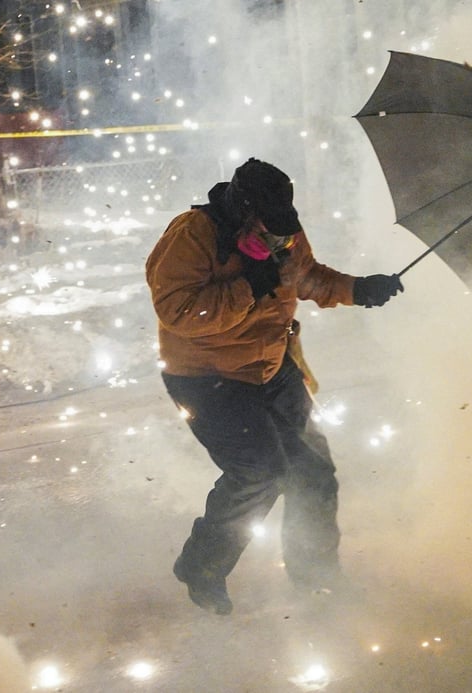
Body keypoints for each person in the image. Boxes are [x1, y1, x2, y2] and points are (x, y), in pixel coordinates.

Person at [145, 157, 403, 615]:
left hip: (271, 365)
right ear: (243, 212)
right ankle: (201, 566)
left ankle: (315, 574)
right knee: (259, 473)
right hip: (207, 376)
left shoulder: (283, 231)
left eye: (286, 230)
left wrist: (358, 289)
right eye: (270, 231)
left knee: (313, 473)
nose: (282, 240)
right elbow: (179, 313)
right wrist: (249, 287)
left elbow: (305, 276)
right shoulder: (191, 236)